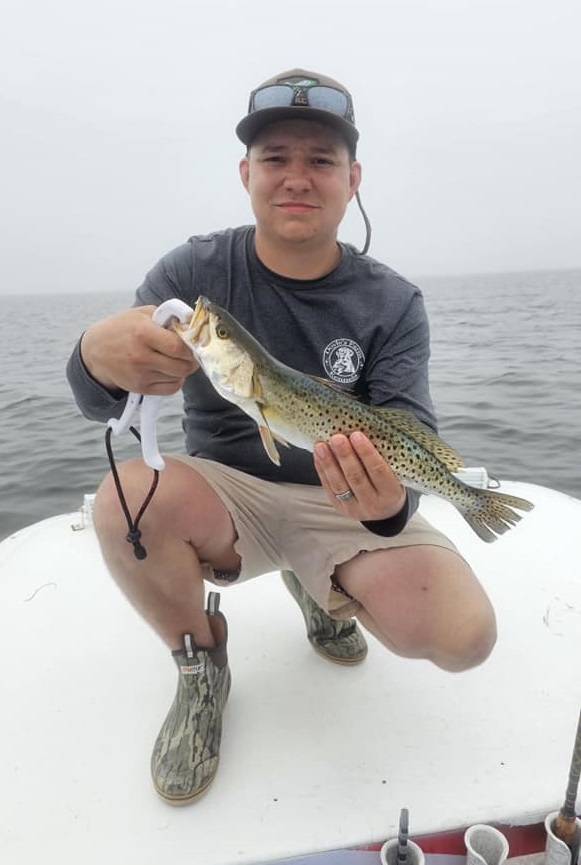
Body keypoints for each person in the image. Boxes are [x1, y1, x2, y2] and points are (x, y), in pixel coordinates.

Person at [66, 68, 497, 805]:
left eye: (321, 159)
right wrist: (92, 356)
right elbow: (100, 399)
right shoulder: (194, 271)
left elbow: (409, 428)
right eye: (275, 158)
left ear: (352, 179)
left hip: (345, 502)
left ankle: (319, 588)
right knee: (124, 499)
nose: (297, 177)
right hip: (225, 494)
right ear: (246, 174)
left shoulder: (393, 301)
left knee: (463, 635)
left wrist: (390, 505)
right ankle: (201, 667)